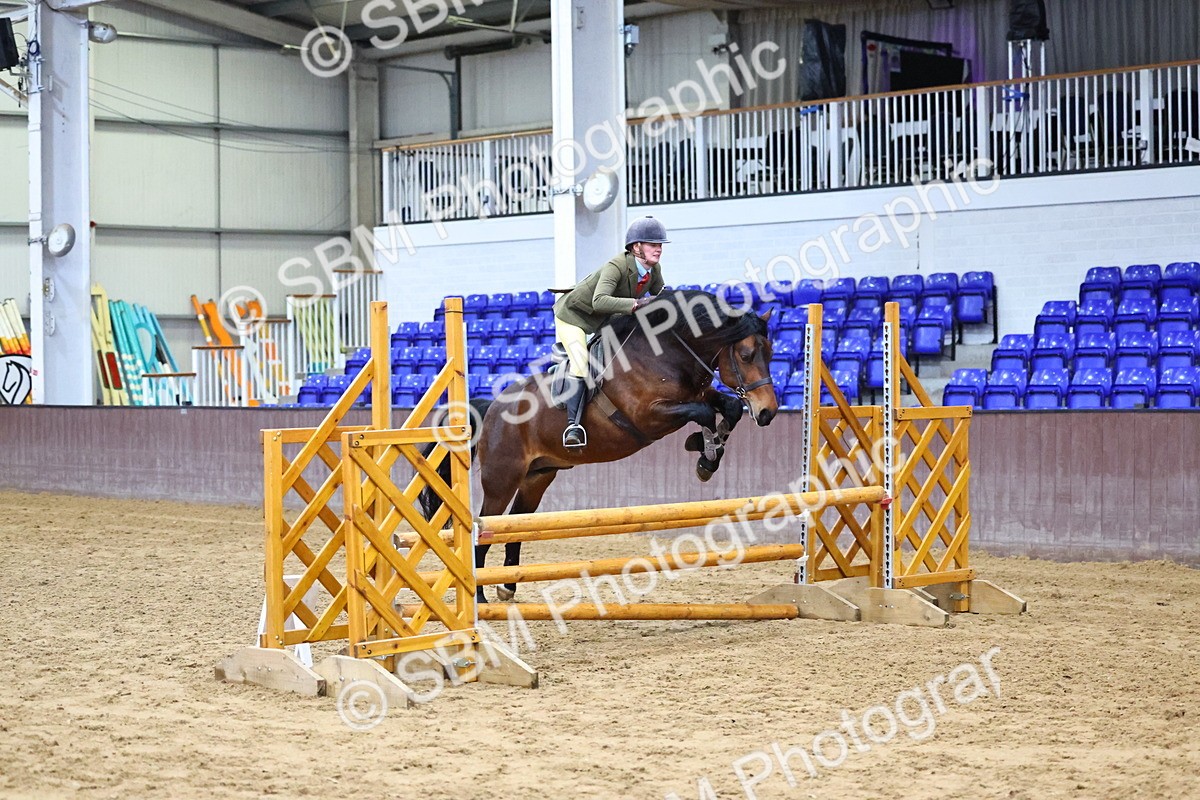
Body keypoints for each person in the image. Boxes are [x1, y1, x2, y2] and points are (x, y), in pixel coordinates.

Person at [552, 216, 668, 448]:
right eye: (652, 244)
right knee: (581, 363)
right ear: (636, 247)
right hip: (574, 317)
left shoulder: (653, 270)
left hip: (606, 319)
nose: (659, 249)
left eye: (660, 244)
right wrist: (636, 304)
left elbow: (661, 296)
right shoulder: (615, 267)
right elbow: (599, 301)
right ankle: (573, 427)